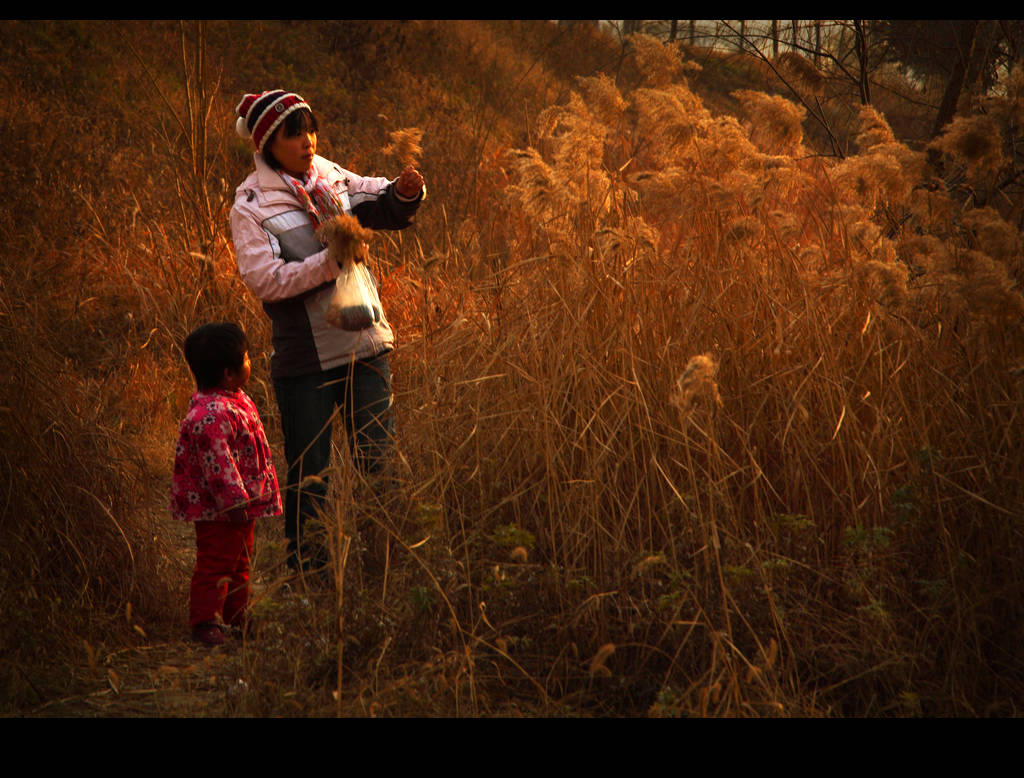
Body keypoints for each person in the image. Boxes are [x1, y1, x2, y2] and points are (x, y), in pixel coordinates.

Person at [229, 90, 425, 575]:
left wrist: (404, 190)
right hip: (306, 361)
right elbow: (265, 280)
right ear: (267, 143)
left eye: (310, 129)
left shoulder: (329, 177)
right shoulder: (251, 205)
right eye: (294, 134)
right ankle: (311, 583)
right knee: (310, 479)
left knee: (379, 468)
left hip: (365, 346)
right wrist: (329, 264)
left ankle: (386, 573)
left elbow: (377, 199)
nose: (307, 141)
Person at [170, 322, 282, 646]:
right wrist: (236, 503)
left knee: (240, 560)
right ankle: (205, 621)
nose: (251, 362)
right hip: (222, 509)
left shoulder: (234, 398)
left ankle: (236, 617)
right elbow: (220, 466)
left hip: (240, 507)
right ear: (228, 373)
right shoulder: (211, 414)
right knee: (216, 561)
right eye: (246, 358)